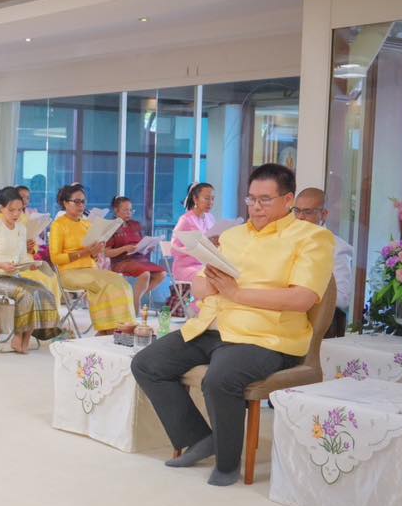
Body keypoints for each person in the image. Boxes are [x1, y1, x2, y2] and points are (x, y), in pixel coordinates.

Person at [130, 163, 334, 486]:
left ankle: (227, 463)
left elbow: (303, 299)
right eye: (251, 199)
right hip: (213, 324)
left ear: (288, 200)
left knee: (219, 378)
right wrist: (212, 286)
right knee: (146, 363)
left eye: (265, 200)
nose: (255, 207)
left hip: (268, 336)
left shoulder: (313, 238)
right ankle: (200, 438)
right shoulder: (233, 236)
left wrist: (237, 293)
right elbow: (197, 286)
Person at [0, 187, 62, 352]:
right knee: (26, 294)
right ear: (1, 208)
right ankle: (18, 337)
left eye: (19, 210)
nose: (16, 214)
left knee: (43, 290)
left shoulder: (21, 229)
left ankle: (27, 337)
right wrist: (2, 265)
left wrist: (31, 264)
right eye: (11, 210)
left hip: (13, 276)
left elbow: (21, 257)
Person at [48, 183, 136, 333]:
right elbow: (56, 258)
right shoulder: (58, 225)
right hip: (68, 273)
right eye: (76, 201)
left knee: (121, 283)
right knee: (102, 283)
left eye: (83, 201)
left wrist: (96, 252)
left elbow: (93, 256)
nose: (80, 205)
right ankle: (106, 329)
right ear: (65, 203)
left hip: (90, 269)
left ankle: (123, 327)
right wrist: (85, 252)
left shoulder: (86, 224)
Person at [293, 187, 354, 321]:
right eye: (296, 211)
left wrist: (307, 292)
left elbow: (343, 299)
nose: (300, 217)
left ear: (324, 214)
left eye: (307, 212)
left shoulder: (337, 247)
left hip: (315, 322)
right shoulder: (285, 240)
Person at [107, 195, 166, 309]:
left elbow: (140, 244)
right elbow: (106, 253)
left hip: (139, 259)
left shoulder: (135, 225)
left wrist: (148, 247)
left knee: (162, 274)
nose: (129, 213)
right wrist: (124, 248)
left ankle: (135, 297)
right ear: (116, 210)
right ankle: (136, 302)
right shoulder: (111, 227)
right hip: (121, 261)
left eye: (130, 210)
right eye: (125, 210)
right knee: (145, 274)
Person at [170, 182, 216, 314]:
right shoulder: (185, 220)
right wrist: (194, 248)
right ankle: (197, 311)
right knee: (208, 281)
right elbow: (173, 248)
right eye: (206, 198)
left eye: (212, 199)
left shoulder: (210, 218)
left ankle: (208, 313)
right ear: (195, 199)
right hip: (186, 267)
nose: (210, 202)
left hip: (204, 265)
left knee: (222, 278)